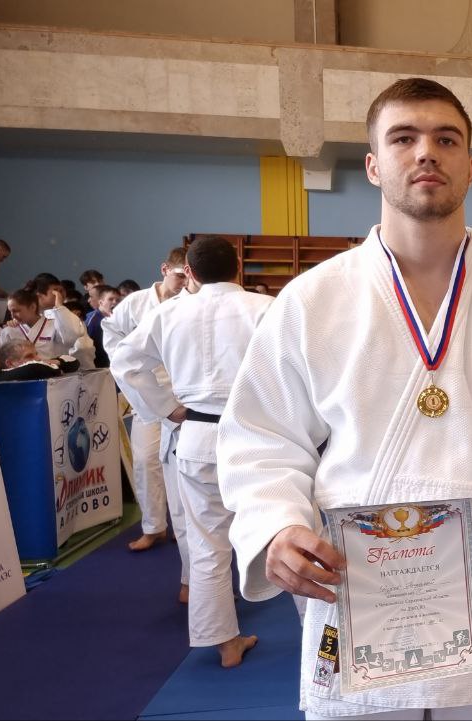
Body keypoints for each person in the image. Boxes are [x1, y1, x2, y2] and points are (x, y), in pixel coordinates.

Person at [216, 77, 472, 720]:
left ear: (470, 166)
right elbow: (262, 438)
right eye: (403, 138)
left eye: (446, 139)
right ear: (374, 165)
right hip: (356, 582)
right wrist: (277, 526)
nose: (426, 151)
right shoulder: (312, 301)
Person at [112, 236, 266, 668]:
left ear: (190, 273)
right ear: (239, 268)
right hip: (256, 437)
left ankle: (225, 643)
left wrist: (165, 408)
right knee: (284, 532)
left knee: (207, 543)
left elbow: (124, 361)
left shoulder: (168, 313)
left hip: (196, 434)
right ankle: (322, 633)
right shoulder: (265, 309)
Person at [104, 248, 190, 563]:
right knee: (144, 460)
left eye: (188, 276)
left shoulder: (191, 302)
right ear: (165, 269)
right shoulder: (136, 303)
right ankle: (153, 526)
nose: (184, 282)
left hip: (181, 395)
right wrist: (122, 362)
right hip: (145, 393)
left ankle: (185, 529)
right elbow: (111, 330)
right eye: (179, 275)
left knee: (180, 466)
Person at [0, 286, 96, 370]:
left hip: (55, 378)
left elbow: (72, 337)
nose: (12, 315)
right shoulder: (9, 331)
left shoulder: (56, 325)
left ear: (32, 307)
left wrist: (59, 307)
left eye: (16, 311)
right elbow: (2, 361)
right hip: (21, 379)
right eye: (10, 311)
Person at [0, 338, 78, 382]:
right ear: (10, 363)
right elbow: (34, 368)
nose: (38, 359)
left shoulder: (40, 366)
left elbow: (74, 361)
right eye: (29, 356)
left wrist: (56, 362)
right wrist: (57, 368)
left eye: (36, 354)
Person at [85, 284, 120, 368]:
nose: (114, 302)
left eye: (118, 300)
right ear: (101, 302)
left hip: (113, 363)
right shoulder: (93, 320)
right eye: (110, 299)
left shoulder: (117, 318)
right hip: (98, 366)